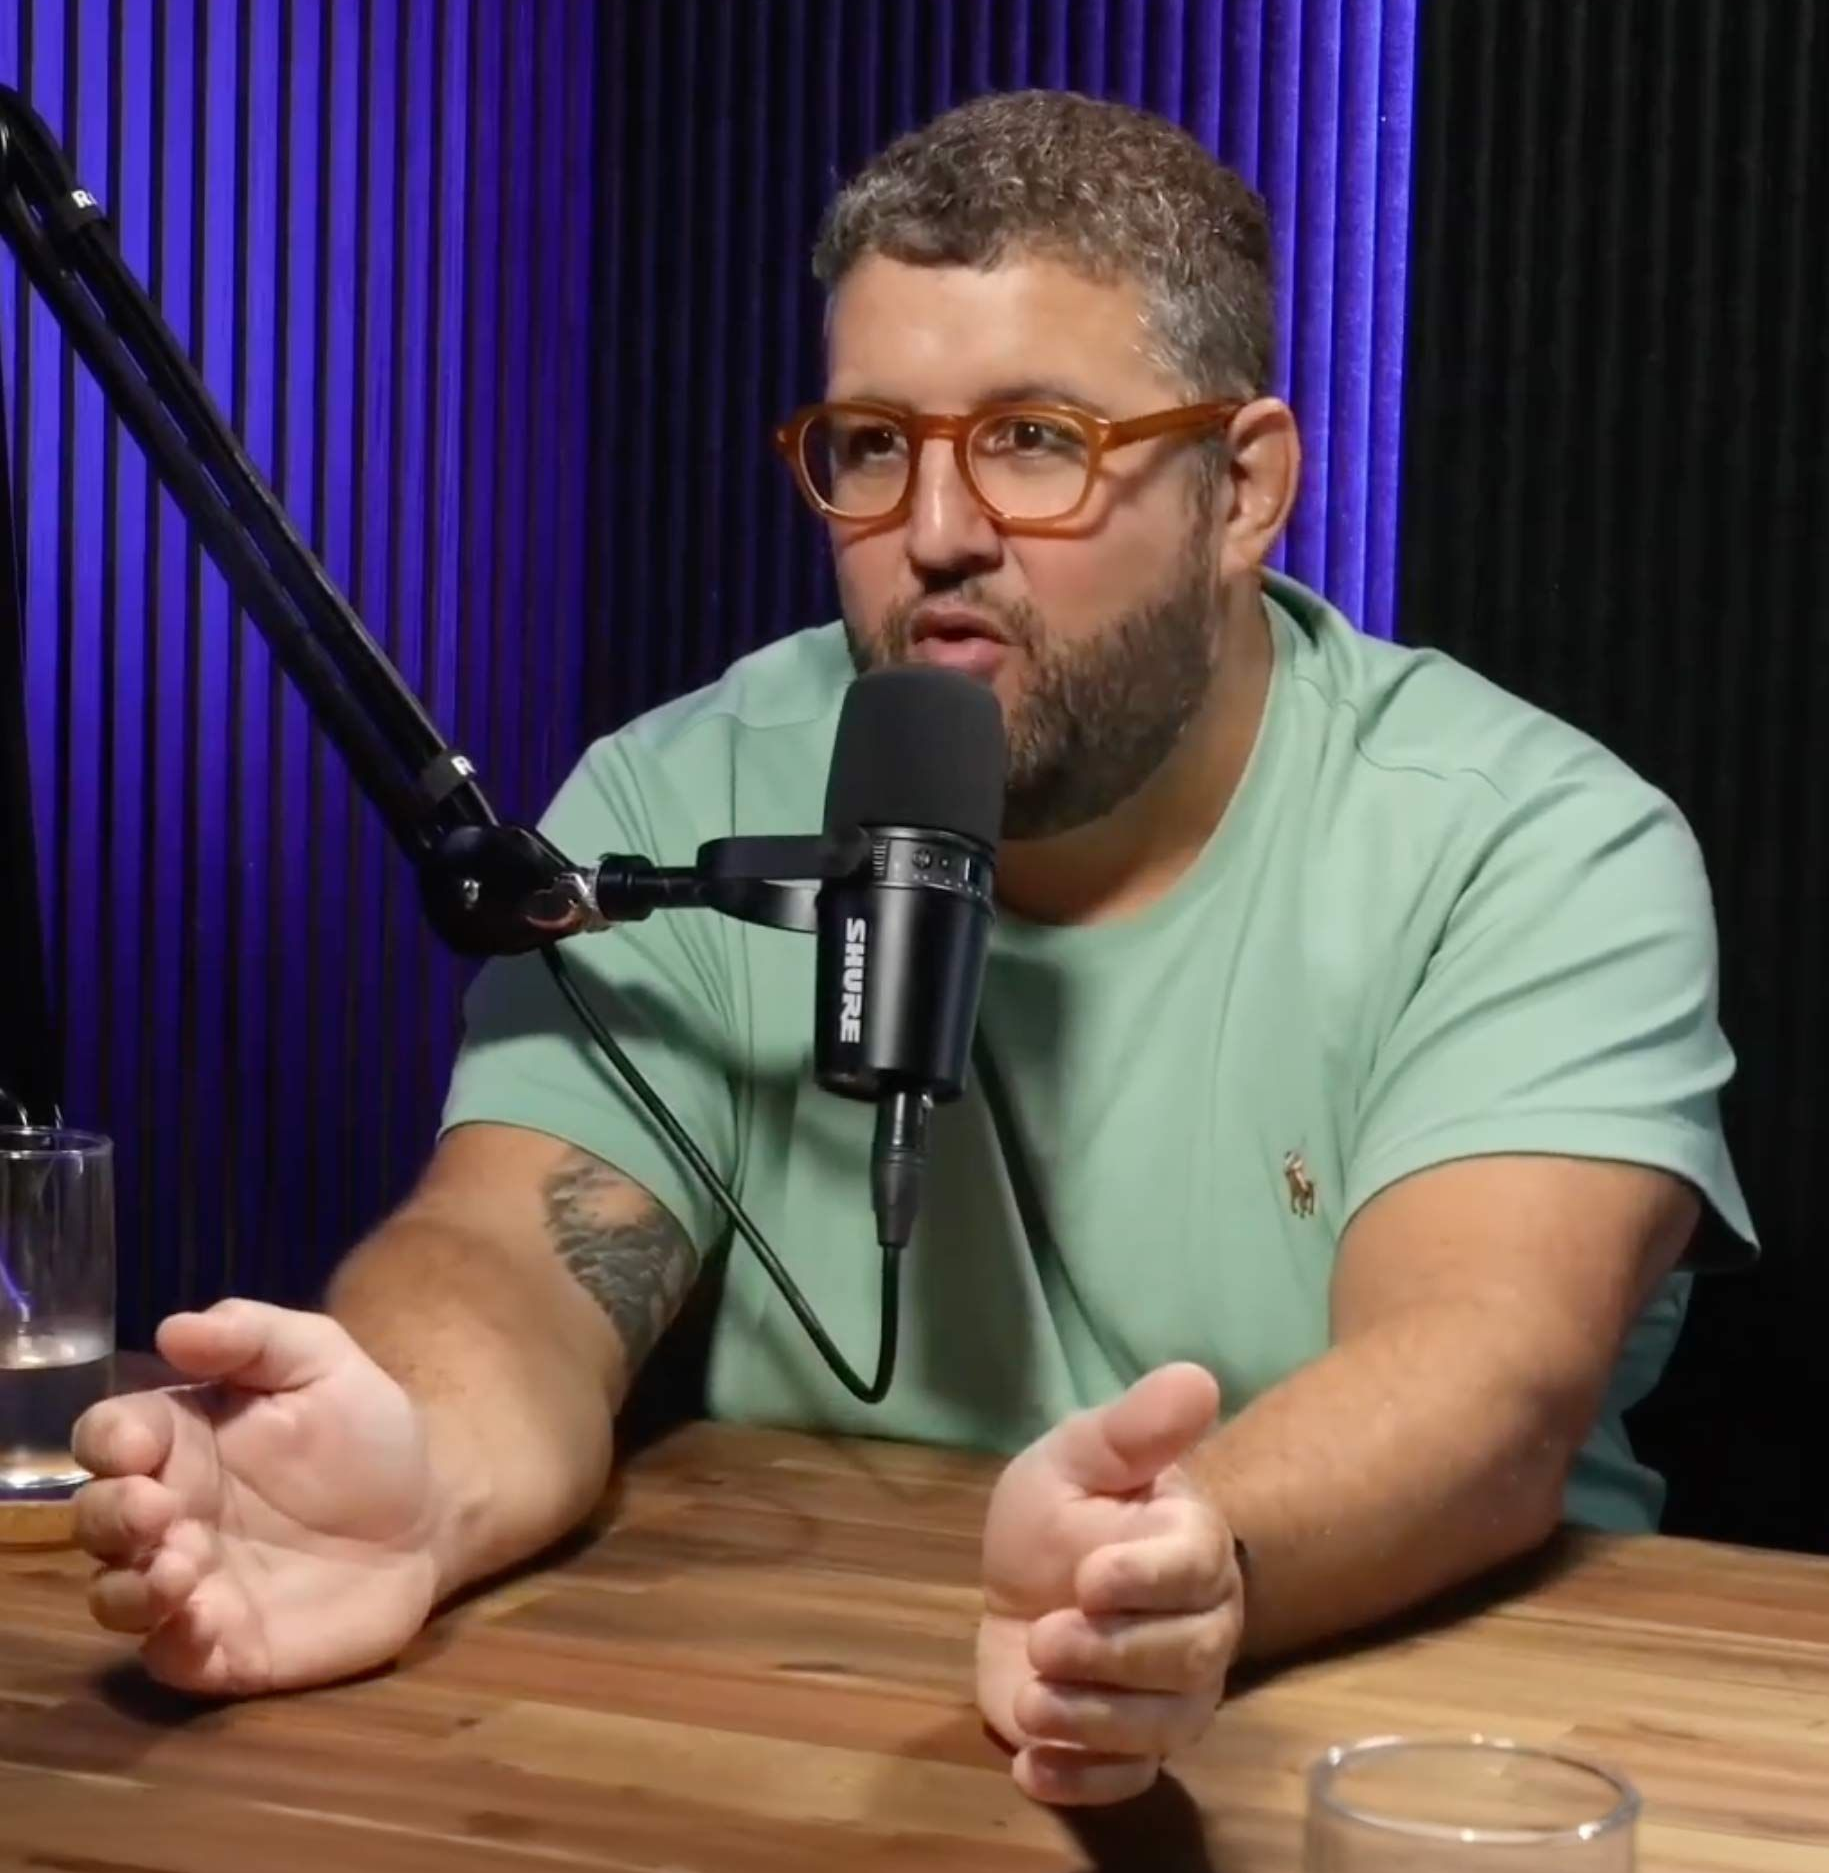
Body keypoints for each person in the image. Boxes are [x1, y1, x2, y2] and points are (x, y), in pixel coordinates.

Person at [67, 91, 1754, 1808]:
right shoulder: (683, 787)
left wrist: (1168, 1569)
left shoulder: (1531, 841)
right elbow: (517, 1255)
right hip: (814, 1732)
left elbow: (1490, 1372)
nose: (935, 529)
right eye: (873, 443)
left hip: (1421, 1752)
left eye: (1035, 440)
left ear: (1245, 490)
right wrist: (417, 1468)